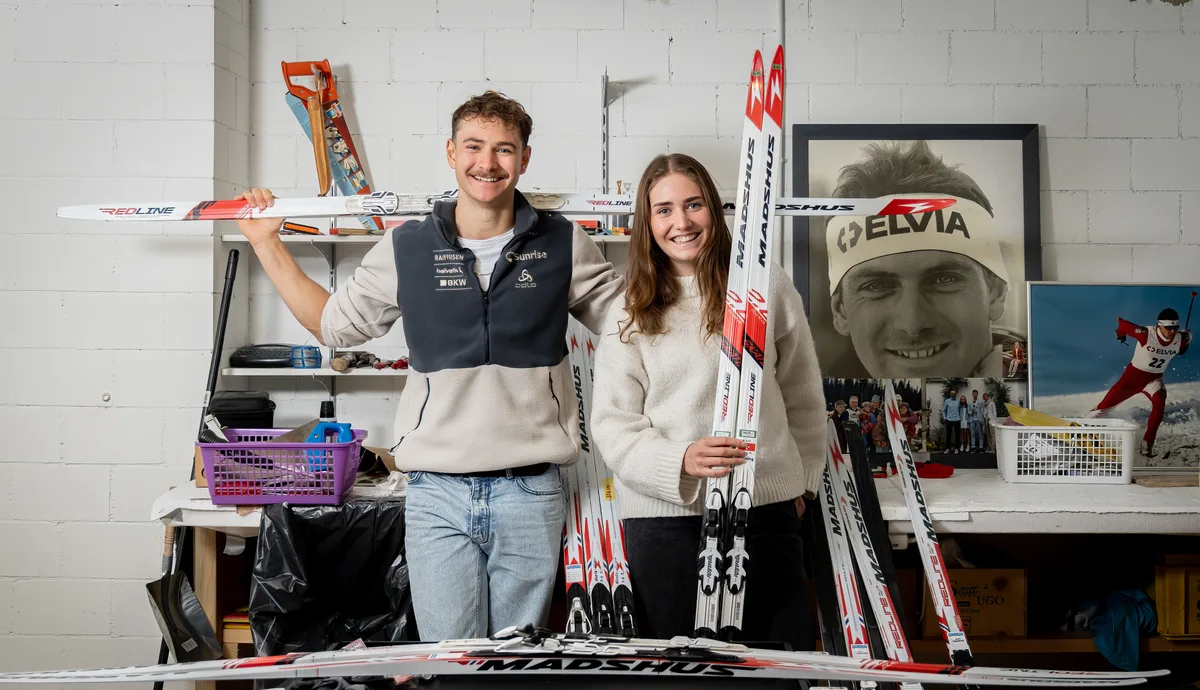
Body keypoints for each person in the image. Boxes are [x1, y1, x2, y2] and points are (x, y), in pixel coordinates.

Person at [233, 91, 624, 641]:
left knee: (513, 671)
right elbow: (335, 326)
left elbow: (633, 323)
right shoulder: (406, 247)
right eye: (474, 146)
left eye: (504, 149)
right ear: (450, 152)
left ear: (525, 159)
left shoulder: (564, 242)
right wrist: (267, 245)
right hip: (437, 493)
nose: (487, 162)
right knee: (448, 667)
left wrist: (682, 248)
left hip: (530, 492)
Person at [590, 153, 826, 649]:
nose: (681, 222)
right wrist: (679, 460)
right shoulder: (628, 307)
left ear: (714, 211)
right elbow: (612, 426)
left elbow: (803, 391)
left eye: (693, 205)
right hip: (665, 518)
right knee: (684, 684)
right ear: (646, 222)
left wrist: (801, 484)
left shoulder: (766, 285)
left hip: (763, 508)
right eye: (664, 209)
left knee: (779, 676)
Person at [823, 140, 1011, 379]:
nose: (912, 325)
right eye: (877, 286)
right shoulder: (815, 411)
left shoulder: (1050, 396)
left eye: (944, 279)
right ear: (841, 312)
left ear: (996, 292)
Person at [1088, 308, 1192, 457]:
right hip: (1132, 379)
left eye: (1175, 328)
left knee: (1160, 401)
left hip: (1154, 379)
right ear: (1159, 326)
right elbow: (1122, 324)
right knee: (1102, 409)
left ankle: (1147, 444)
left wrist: (1184, 347)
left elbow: (1188, 337)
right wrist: (1120, 334)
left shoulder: (1182, 338)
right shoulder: (1146, 334)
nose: (1172, 331)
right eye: (1168, 328)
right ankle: (1080, 427)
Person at [941, 387, 961, 453]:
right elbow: (944, 411)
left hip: (957, 420)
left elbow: (960, 410)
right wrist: (945, 418)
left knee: (957, 435)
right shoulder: (947, 401)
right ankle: (947, 448)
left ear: (956, 394)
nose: (953, 395)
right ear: (950, 394)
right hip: (949, 420)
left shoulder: (958, 401)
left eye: (954, 394)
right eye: (952, 394)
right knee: (948, 435)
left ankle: (956, 448)